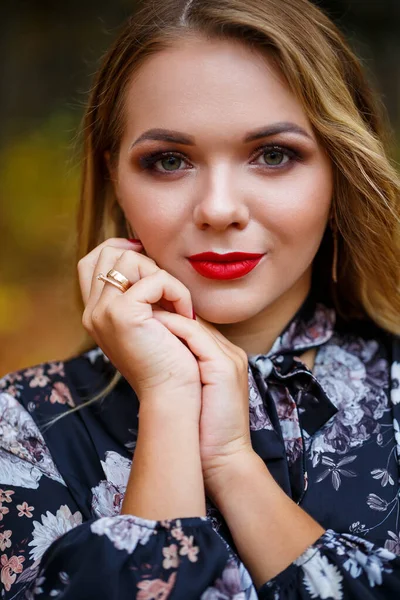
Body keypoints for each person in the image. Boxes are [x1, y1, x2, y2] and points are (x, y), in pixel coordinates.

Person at [1, 0, 400, 597]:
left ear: (339, 169)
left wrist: (234, 465)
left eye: (273, 155)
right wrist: (167, 399)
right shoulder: (19, 428)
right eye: (169, 161)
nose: (218, 209)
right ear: (115, 177)